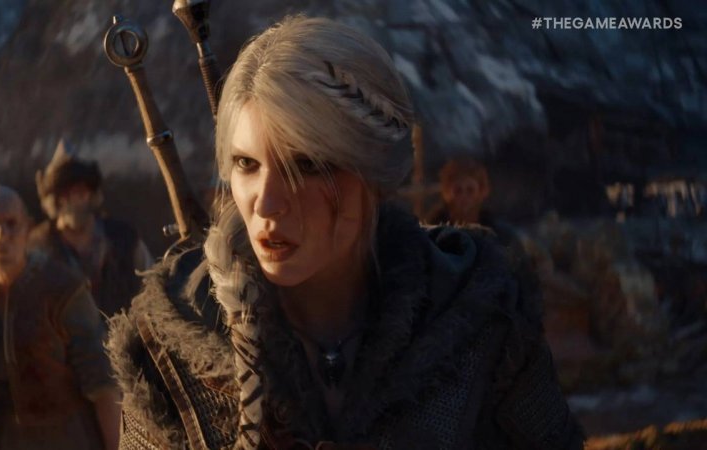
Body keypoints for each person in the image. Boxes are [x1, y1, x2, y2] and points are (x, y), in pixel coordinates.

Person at [109, 16, 583, 449]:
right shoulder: (174, 344)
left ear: (373, 173)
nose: (266, 204)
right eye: (247, 164)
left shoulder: (478, 316)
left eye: (306, 166)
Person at [0, 185, 120, 450]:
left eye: (11, 225)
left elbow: (102, 383)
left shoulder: (63, 292)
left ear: (27, 230)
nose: (1, 236)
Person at [30, 140, 152, 321]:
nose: (74, 201)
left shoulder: (124, 240)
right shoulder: (38, 248)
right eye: (66, 194)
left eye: (80, 192)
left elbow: (152, 288)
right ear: (55, 200)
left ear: (91, 194)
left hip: (124, 334)